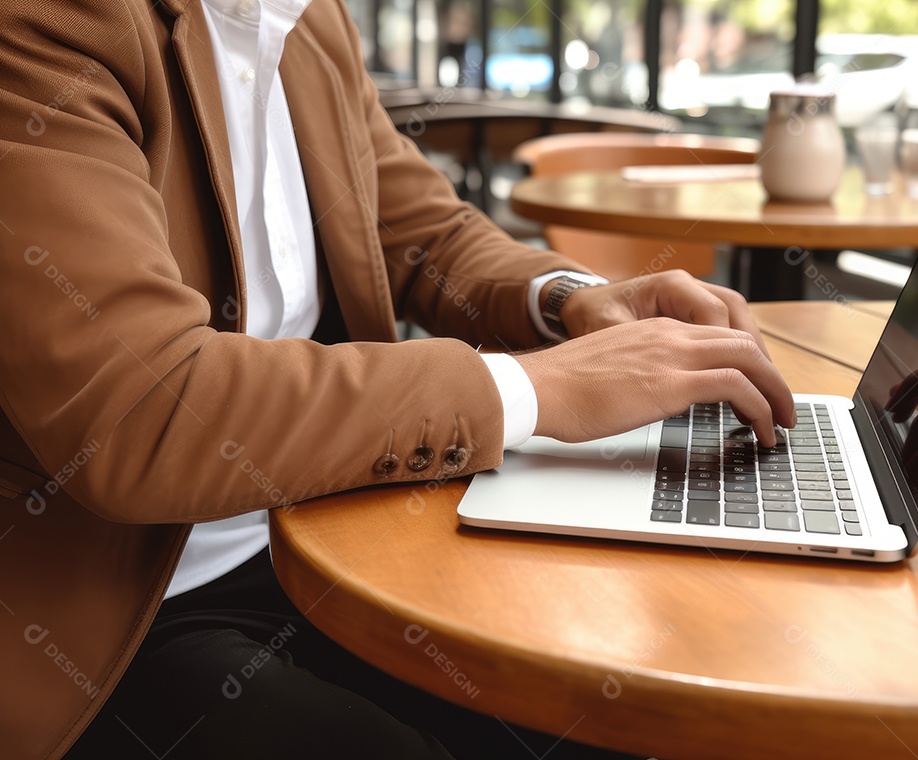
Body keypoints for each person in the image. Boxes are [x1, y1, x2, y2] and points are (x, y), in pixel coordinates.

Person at [0, 1, 795, 757]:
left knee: (612, 712)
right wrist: (532, 388)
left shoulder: (308, 22)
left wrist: (570, 301)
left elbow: (419, 229)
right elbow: (145, 408)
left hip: (328, 541)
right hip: (117, 608)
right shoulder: (50, 25)